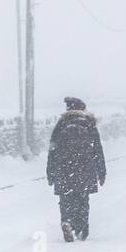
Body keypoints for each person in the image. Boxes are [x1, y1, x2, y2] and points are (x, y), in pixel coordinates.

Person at [46, 96, 106, 242]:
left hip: (64, 168)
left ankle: (66, 221)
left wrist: (50, 172)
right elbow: (98, 150)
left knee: (66, 198)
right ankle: (81, 228)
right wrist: (101, 172)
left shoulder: (61, 125)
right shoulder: (89, 125)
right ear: (82, 109)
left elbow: (52, 150)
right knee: (82, 199)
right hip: (84, 169)